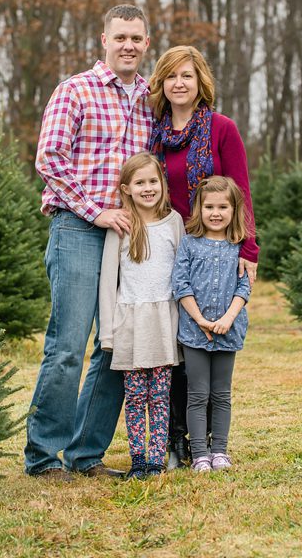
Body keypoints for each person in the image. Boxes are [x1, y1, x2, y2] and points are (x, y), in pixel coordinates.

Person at [25, 3, 154, 478]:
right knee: (67, 346)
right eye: (120, 37)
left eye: (136, 38)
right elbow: (50, 159)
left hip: (126, 237)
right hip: (77, 229)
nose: (128, 46)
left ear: (146, 43)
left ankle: (85, 454)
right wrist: (95, 210)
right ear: (104, 40)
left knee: (116, 346)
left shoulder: (149, 100)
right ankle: (42, 457)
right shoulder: (75, 90)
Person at [147, 44, 260, 470]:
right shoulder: (154, 133)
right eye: (171, 76)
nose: (179, 83)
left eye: (187, 76)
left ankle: (213, 443)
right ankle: (176, 440)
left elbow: (241, 191)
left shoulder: (220, 129)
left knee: (200, 349)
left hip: (211, 246)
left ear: (201, 84)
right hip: (163, 247)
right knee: (173, 346)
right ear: (162, 83)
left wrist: (248, 248)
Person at [97, 152, 183, 479]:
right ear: (126, 188)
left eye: (153, 181)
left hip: (163, 323)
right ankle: (137, 460)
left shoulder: (173, 222)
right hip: (130, 323)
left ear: (162, 184)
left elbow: (181, 276)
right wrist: (108, 332)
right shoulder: (120, 225)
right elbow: (108, 282)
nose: (148, 188)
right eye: (140, 183)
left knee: (160, 396)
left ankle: (156, 461)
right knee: (134, 396)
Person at [171, 175, 252, 474]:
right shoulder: (190, 244)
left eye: (223, 207)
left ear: (234, 210)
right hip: (195, 333)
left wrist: (228, 318)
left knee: (221, 394)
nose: (215, 213)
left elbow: (244, 287)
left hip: (228, 332)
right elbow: (180, 285)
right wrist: (201, 320)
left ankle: (219, 450)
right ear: (199, 209)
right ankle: (200, 453)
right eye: (209, 207)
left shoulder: (239, 247)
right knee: (197, 393)